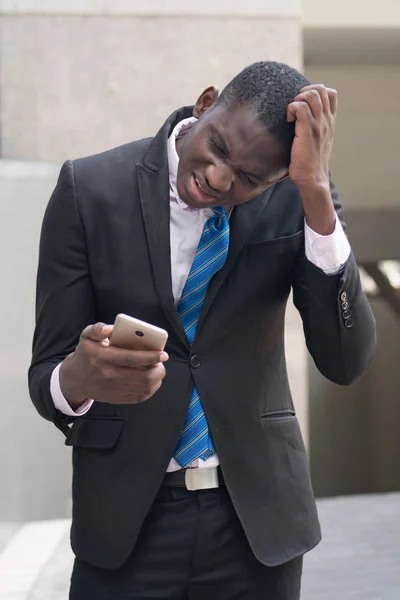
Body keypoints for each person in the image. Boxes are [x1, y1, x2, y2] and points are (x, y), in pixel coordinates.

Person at [28, 61, 376, 599]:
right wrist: (80, 378)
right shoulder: (90, 187)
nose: (218, 178)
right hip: (126, 523)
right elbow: (47, 377)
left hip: (257, 526)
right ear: (206, 101)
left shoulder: (301, 199)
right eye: (218, 148)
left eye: (249, 179)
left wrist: (315, 195)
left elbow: (345, 360)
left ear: (282, 176)